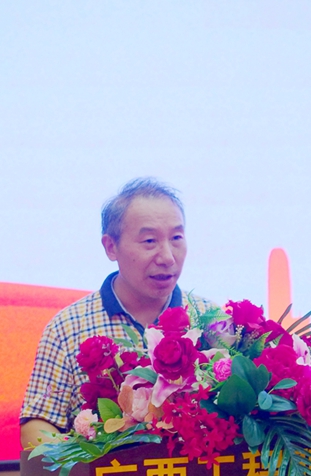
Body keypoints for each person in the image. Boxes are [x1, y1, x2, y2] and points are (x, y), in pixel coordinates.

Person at [19, 178, 215, 447]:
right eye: (149, 241)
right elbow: (37, 425)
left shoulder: (210, 321)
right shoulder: (67, 328)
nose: (168, 257)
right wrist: (85, 457)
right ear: (111, 247)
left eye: (176, 238)